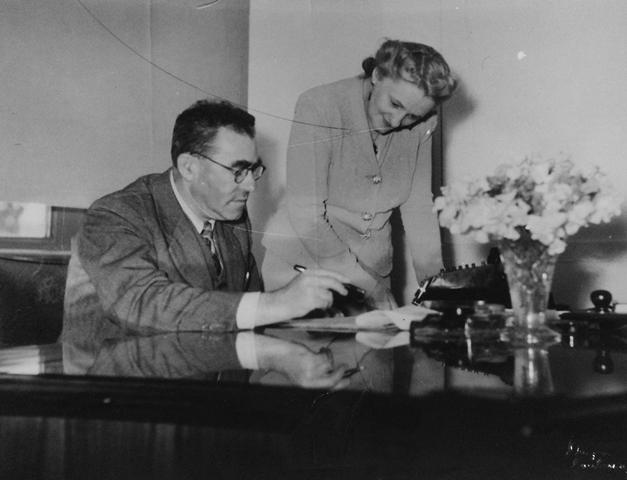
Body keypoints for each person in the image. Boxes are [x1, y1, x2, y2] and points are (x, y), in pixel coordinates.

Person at [62, 99, 350, 348]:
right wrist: (278, 304)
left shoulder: (229, 218)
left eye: (253, 170)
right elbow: (142, 304)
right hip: (115, 396)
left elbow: (244, 311)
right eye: (238, 171)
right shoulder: (116, 215)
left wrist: (305, 314)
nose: (251, 185)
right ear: (189, 167)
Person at [261, 39, 457, 309]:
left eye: (412, 116)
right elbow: (306, 213)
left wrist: (436, 288)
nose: (398, 121)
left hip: (373, 270)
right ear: (377, 75)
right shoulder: (320, 105)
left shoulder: (423, 124)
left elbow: (419, 210)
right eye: (395, 103)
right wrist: (368, 287)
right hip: (302, 268)